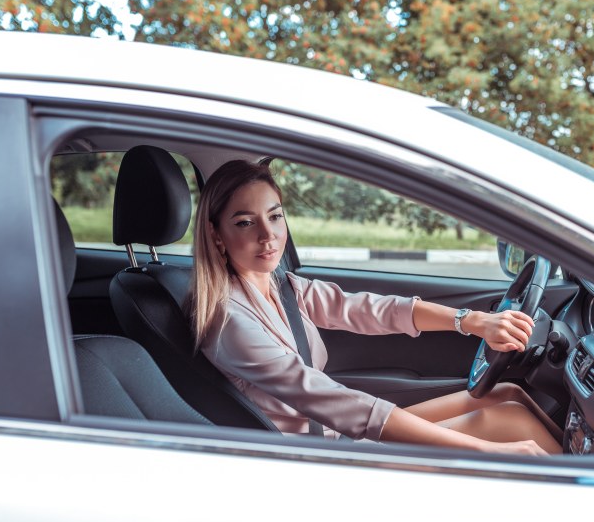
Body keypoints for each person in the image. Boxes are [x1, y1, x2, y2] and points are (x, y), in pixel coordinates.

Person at [187, 159, 563, 456]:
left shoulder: (282, 286)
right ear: (216, 235)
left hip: (334, 435)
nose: (267, 235)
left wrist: (472, 321)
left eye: (274, 215)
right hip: (316, 460)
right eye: (245, 222)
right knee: (511, 425)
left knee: (509, 395)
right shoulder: (229, 322)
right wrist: (487, 451)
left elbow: (371, 310)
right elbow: (326, 398)